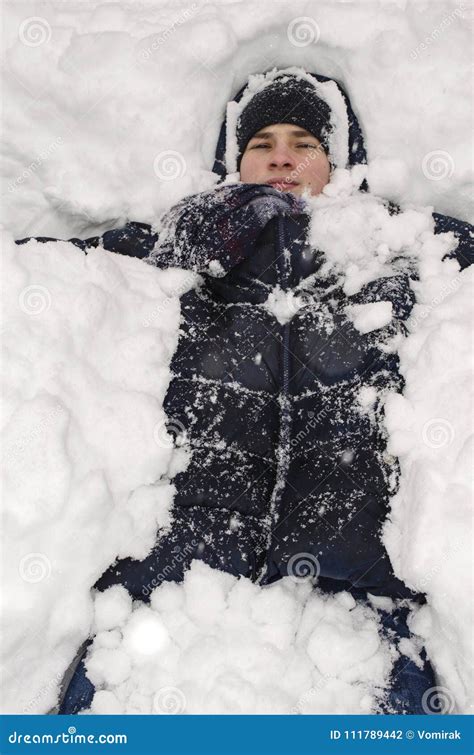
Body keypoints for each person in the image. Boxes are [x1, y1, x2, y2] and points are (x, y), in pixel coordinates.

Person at [16, 68, 472, 715]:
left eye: (304, 142)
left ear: (342, 163)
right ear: (233, 163)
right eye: (261, 142)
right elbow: (44, 275)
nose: (282, 154)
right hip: (179, 568)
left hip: (355, 570)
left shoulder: (397, 243)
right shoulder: (178, 242)